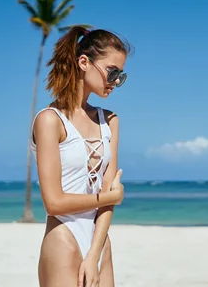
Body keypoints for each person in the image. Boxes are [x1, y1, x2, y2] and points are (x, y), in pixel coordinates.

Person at [30, 25, 131, 287]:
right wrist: (111, 196)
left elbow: (109, 192)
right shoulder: (50, 121)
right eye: (112, 72)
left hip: (100, 240)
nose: (116, 81)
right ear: (84, 63)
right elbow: (53, 203)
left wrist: (94, 254)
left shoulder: (110, 121)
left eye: (121, 76)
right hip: (64, 236)